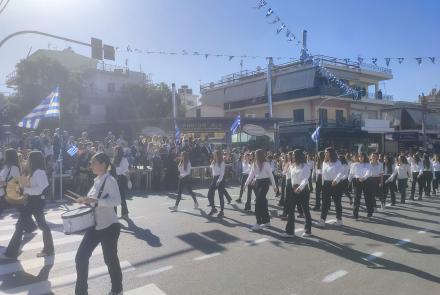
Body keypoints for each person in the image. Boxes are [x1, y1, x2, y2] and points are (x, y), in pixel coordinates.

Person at [75, 152, 123, 295]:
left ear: (103, 165)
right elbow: (93, 201)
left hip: (109, 227)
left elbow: (117, 201)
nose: (91, 165)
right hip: (95, 226)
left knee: (110, 259)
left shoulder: (109, 180)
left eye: (93, 162)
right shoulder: (97, 180)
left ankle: (117, 289)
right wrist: (84, 200)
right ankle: (81, 292)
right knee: (81, 257)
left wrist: (96, 201)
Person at [2, 150, 54, 259]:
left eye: (29, 158)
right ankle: (48, 249)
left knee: (23, 226)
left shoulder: (39, 172)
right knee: (40, 225)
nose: (27, 160)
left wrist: (25, 189)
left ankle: (11, 253)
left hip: (36, 201)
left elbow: (39, 190)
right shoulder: (34, 172)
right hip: (32, 202)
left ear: (34, 160)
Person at [245, 149, 277, 231]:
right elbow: (251, 175)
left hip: (265, 183)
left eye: (256, 154)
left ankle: (258, 222)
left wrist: (274, 186)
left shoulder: (265, 164)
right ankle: (267, 221)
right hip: (258, 183)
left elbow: (271, 175)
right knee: (262, 202)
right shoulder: (254, 164)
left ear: (259, 155)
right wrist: (246, 183)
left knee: (258, 202)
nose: (254, 156)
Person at [283, 149, 312, 238]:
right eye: (293, 155)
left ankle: (308, 230)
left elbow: (306, 179)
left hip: (303, 190)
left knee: (305, 209)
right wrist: (293, 187)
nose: (293, 157)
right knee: (291, 210)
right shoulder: (293, 166)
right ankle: (290, 231)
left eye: (294, 155)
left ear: (299, 156)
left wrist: (299, 188)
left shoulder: (305, 166)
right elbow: (290, 177)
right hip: (293, 190)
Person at [317, 147, 344, 227]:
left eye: (327, 153)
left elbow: (340, 173)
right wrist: (322, 185)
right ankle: (322, 220)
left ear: (331, 154)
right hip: (326, 184)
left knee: (337, 202)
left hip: (336, 184)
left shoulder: (337, 162)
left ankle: (339, 220)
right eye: (325, 153)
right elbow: (323, 175)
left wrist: (336, 180)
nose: (325, 154)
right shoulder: (324, 163)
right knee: (325, 203)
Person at [0, 149, 21, 217]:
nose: (4, 156)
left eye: (5, 155)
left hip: (5, 194)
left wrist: (4, 183)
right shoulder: (7, 167)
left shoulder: (13, 168)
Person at [352, 153, 371, 220]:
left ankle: (369, 212)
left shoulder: (368, 164)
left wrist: (364, 178)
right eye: (359, 157)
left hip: (365, 181)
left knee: (367, 197)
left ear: (364, 157)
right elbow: (352, 173)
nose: (360, 158)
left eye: (362, 157)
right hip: (357, 181)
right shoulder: (354, 164)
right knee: (357, 198)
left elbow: (368, 172)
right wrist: (349, 180)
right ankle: (355, 214)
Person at [207, 150, 226, 218]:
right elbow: (211, 168)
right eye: (214, 155)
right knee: (209, 194)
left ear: (218, 155)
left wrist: (219, 180)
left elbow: (222, 173)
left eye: (215, 155)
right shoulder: (213, 162)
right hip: (215, 178)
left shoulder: (222, 162)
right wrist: (210, 165)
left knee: (220, 195)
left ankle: (222, 211)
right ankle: (213, 208)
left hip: (220, 179)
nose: (214, 156)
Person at [113, 146, 129, 219]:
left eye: (116, 151)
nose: (114, 152)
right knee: (113, 198)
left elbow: (126, 171)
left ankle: (125, 213)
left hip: (121, 179)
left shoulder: (123, 160)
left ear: (119, 151)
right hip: (114, 179)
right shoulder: (114, 160)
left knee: (122, 197)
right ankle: (114, 214)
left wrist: (129, 180)